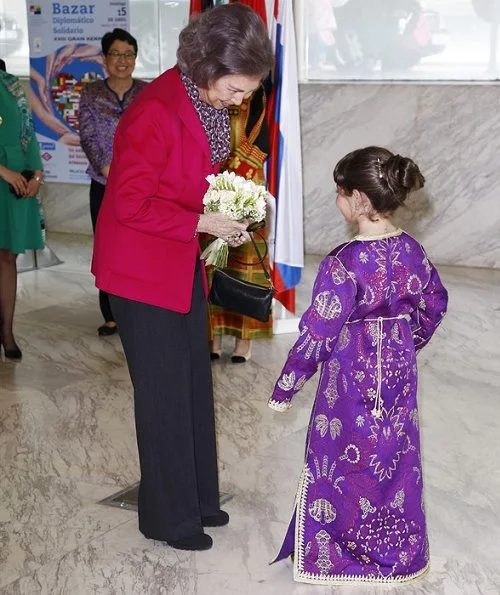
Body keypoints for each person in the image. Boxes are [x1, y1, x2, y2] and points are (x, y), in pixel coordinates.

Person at [91, 3, 274, 551]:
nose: (242, 102)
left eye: (248, 92)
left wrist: (225, 210)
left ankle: (196, 500)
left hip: (176, 263)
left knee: (193, 386)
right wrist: (201, 219)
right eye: (238, 90)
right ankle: (166, 520)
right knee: (163, 397)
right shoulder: (155, 111)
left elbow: (187, 176)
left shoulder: (199, 97)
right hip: (140, 273)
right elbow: (127, 204)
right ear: (209, 67)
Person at [268, 146, 448, 584]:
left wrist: (286, 385)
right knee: (395, 458)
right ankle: (399, 554)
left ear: (359, 200)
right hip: (400, 377)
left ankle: (345, 554)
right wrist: (406, 343)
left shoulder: (343, 263)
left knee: (343, 461)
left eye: (339, 191)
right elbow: (435, 303)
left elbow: (320, 331)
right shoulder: (413, 250)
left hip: (348, 380)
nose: (336, 200)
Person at [79, 29, 147, 336]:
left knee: (138, 247)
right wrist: (109, 171)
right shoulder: (91, 93)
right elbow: (88, 136)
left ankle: (138, 308)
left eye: (128, 54)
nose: (123, 61)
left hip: (142, 186)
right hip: (104, 183)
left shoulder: (148, 92)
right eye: (116, 54)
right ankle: (110, 313)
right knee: (108, 247)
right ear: (105, 58)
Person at [203, 85, 273, 363]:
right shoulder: (212, 86)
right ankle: (214, 335)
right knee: (213, 259)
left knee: (246, 261)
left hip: (246, 181)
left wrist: (235, 180)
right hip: (213, 178)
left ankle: (244, 339)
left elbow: (261, 141)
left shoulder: (255, 90)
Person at [0, 59, 44, 360]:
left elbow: (28, 131)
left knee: (7, 255)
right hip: (5, 175)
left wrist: (36, 174)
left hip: (15, 182)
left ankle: (7, 332)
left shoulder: (11, 83)